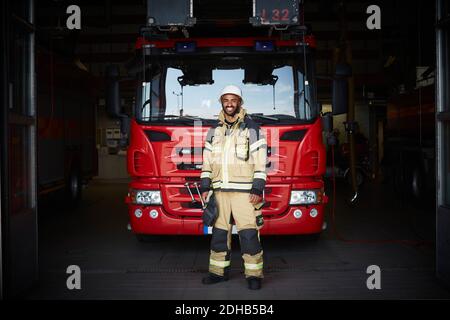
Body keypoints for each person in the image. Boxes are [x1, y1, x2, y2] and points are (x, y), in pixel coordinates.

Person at [200, 85, 267, 290]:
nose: (230, 104)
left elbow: (260, 161)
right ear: (222, 102)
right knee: (219, 235)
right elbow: (207, 162)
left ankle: (254, 276)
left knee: (248, 235)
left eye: (234, 100)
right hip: (219, 192)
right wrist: (205, 186)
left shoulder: (252, 129)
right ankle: (217, 273)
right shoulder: (214, 131)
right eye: (226, 100)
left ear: (240, 102)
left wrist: (257, 188)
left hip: (245, 193)